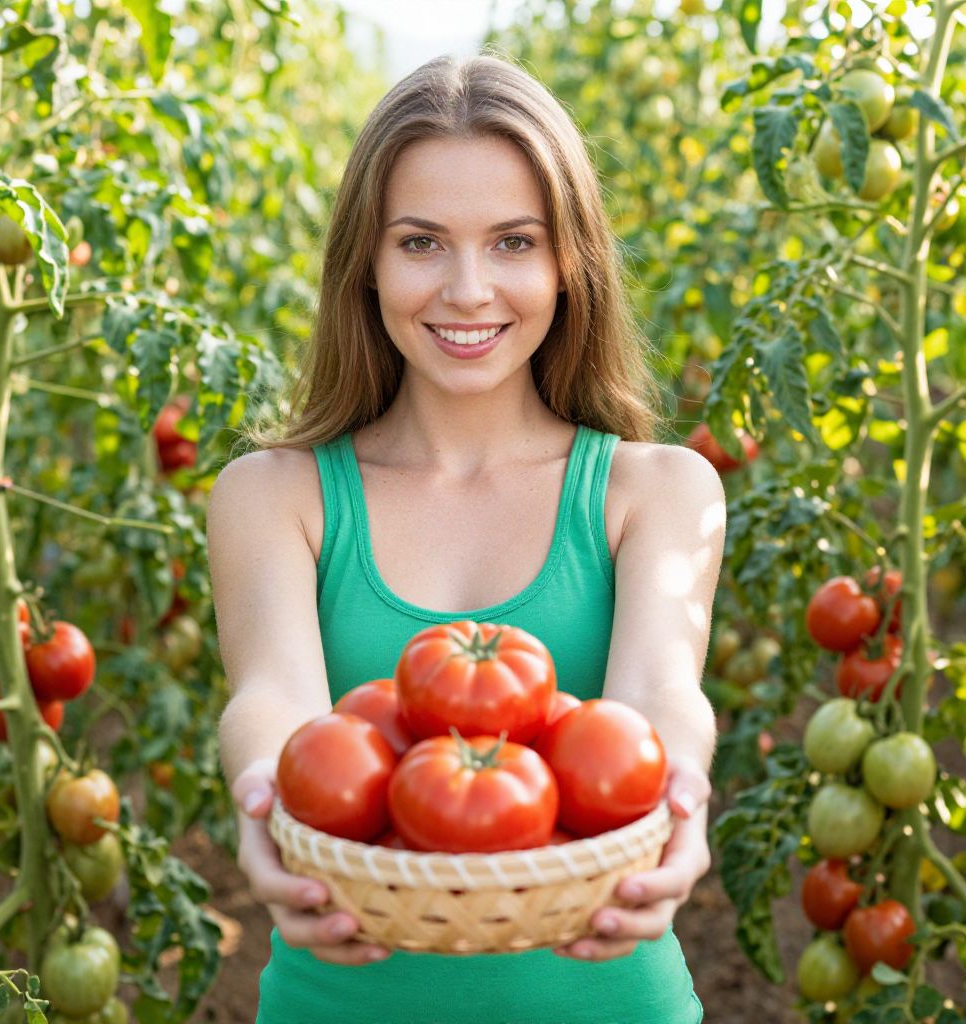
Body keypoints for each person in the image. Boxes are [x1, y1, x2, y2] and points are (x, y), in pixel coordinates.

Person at [208, 49, 726, 1024]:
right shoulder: (272, 494)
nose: (468, 290)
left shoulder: (656, 490)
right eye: (421, 243)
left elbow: (659, 693)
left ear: (569, 261)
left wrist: (685, 789)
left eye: (513, 242)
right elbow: (273, 698)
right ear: (365, 259)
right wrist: (259, 793)